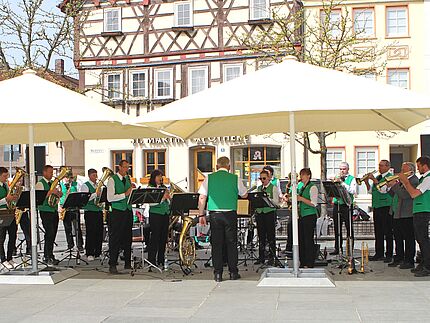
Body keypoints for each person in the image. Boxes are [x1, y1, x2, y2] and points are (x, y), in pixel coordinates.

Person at [198, 156, 248, 282]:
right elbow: (244, 194)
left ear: (216, 166)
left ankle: (218, 274)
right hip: (230, 214)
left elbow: (202, 198)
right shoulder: (235, 178)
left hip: (215, 214)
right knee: (231, 243)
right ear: (229, 167)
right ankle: (233, 272)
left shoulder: (209, 178)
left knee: (216, 244)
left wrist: (201, 215)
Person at [398, 156, 430, 277]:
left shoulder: (428, 178)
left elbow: (414, 194)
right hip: (418, 210)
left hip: (424, 210)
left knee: (423, 239)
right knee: (420, 239)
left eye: (419, 166)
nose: (418, 169)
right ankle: (423, 263)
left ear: (424, 165)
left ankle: (427, 266)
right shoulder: (424, 178)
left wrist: (405, 181)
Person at [387, 162, 418, 269]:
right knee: (398, 237)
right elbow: (394, 194)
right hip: (397, 212)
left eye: (403, 170)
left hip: (407, 213)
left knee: (409, 238)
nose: (401, 172)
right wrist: (390, 186)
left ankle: (409, 260)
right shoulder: (402, 181)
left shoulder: (413, 180)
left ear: (411, 171)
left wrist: (395, 185)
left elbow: (405, 195)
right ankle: (399, 257)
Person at [106, 160, 134, 274]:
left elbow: (129, 193)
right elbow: (110, 198)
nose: (127, 169)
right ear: (119, 167)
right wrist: (125, 194)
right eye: (125, 167)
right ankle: (112, 264)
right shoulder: (112, 179)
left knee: (128, 237)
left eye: (128, 167)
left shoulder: (127, 178)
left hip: (128, 210)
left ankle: (128, 262)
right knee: (115, 238)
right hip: (117, 212)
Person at [365, 160, 394, 262]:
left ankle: (389, 254)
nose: (379, 167)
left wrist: (373, 180)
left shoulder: (390, 177)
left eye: (381, 166)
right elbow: (370, 191)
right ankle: (379, 253)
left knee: (388, 231)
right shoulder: (378, 177)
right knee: (378, 231)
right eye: (379, 165)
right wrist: (366, 182)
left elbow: (383, 190)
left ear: (387, 167)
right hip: (377, 206)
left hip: (386, 206)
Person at [36, 165, 62, 265]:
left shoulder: (52, 183)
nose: (52, 174)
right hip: (45, 211)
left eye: (52, 172)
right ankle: (46, 256)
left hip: (53, 210)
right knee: (49, 233)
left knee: (53, 233)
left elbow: (55, 196)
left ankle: (50, 255)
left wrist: (58, 194)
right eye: (50, 172)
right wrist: (51, 191)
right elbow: (40, 197)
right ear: (44, 172)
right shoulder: (40, 183)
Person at [254, 170, 280, 266]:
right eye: (260, 178)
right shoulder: (259, 188)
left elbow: (277, 202)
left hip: (269, 213)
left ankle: (272, 257)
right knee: (261, 236)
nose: (262, 180)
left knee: (270, 235)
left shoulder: (273, 188)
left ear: (269, 178)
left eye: (264, 178)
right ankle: (261, 257)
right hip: (260, 213)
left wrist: (268, 199)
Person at [330, 162, 357, 255]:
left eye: (344, 169)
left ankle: (350, 249)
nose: (342, 171)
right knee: (337, 228)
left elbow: (353, 191)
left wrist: (342, 183)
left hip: (347, 205)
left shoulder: (352, 179)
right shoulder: (337, 178)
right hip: (337, 204)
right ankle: (337, 248)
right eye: (340, 169)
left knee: (349, 227)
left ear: (348, 169)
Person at [147, 169, 171, 267]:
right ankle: (152, 259)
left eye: (161, 176)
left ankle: (161, 259)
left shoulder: (163, 187)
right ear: (154, 178)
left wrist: (168, 198)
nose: (160, 178)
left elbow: (168, 202)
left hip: (165, 214)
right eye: (158, 176)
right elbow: (151, 203)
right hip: (155, 214)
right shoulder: (150, 188)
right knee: (155, 237)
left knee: (163, 237)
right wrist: (162, 199)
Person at [80, 168, 104, 261]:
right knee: (91, 232)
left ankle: (98, 252)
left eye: (96, 175)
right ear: (89, 176)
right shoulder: (85, 186)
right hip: (89, 211)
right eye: (94, 175)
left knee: (99, 232)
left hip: (98, 211)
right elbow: (85, 198)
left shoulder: (97, 185)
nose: (96, 177)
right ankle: (89, 252)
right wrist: (95, 194)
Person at [296, 168, 318, 268]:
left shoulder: (312, 187)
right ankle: (303, 261)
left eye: (303, 175)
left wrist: (301, 199)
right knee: (301, 239)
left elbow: (314, 203)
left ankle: (310, 262)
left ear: (308, 176)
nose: (301, 177)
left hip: (309, 215)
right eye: (301, 175)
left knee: (308, 239)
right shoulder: (302, 187)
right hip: (302, 215)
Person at [60, 173, 83, 252]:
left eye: (70, 178)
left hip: (75, 207)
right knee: (67, 228)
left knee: (77, 227)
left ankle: (80, 245)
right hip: (65, 208)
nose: (68, 179)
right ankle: (70, 245)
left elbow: (80, 193)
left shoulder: (76, 184)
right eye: (67, 178)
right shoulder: (60, 184)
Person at [0, 167, 18, 269]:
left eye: (7, 176)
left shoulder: (6, 185)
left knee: (13, 235)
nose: (6, 178)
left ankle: (10, 257)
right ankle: (3, 259)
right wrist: (6, 199)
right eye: (4, 176)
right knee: (1, 238)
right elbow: (5, 199)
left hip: (9, 213)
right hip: (1, 213)